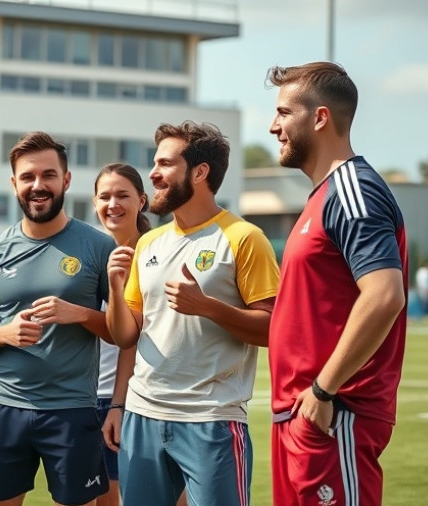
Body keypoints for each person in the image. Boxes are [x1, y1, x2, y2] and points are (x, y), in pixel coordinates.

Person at [106, 121, 279, 506]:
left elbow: (273, 330)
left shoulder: (244, 238)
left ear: (200, 173)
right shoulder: (148, 242)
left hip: (211, 419)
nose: (153, 173)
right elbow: (124, 336)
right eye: (155, 163)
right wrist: (115, 290)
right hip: (142, 414)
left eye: (165, 164)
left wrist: (207, 306)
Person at [266, 62, 408, 506]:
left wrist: (324, 390)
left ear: (320, 117)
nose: (273, 126)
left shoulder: (353, 191)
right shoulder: (324, 196)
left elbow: (385, 294)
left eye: (284, 113)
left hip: (332, 412)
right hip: (303, 414)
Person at [0, 131, 115, 506]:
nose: (38, 185)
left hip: (72, 410)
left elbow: (122, 333)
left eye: (48, 175)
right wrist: (6, 334)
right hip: (3, 408)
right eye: (27, 177)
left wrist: (78, 314)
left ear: (66, 180)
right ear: (14, 184)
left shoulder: (98, 246)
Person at [91, 163, 149, 506]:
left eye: (122, 195)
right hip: (83, 400)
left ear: (142, 201)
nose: (113, 204)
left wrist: (118, 403)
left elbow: (132, 337)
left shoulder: (153, 253)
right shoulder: (87, 253)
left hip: (137, 401)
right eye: (105, 196)